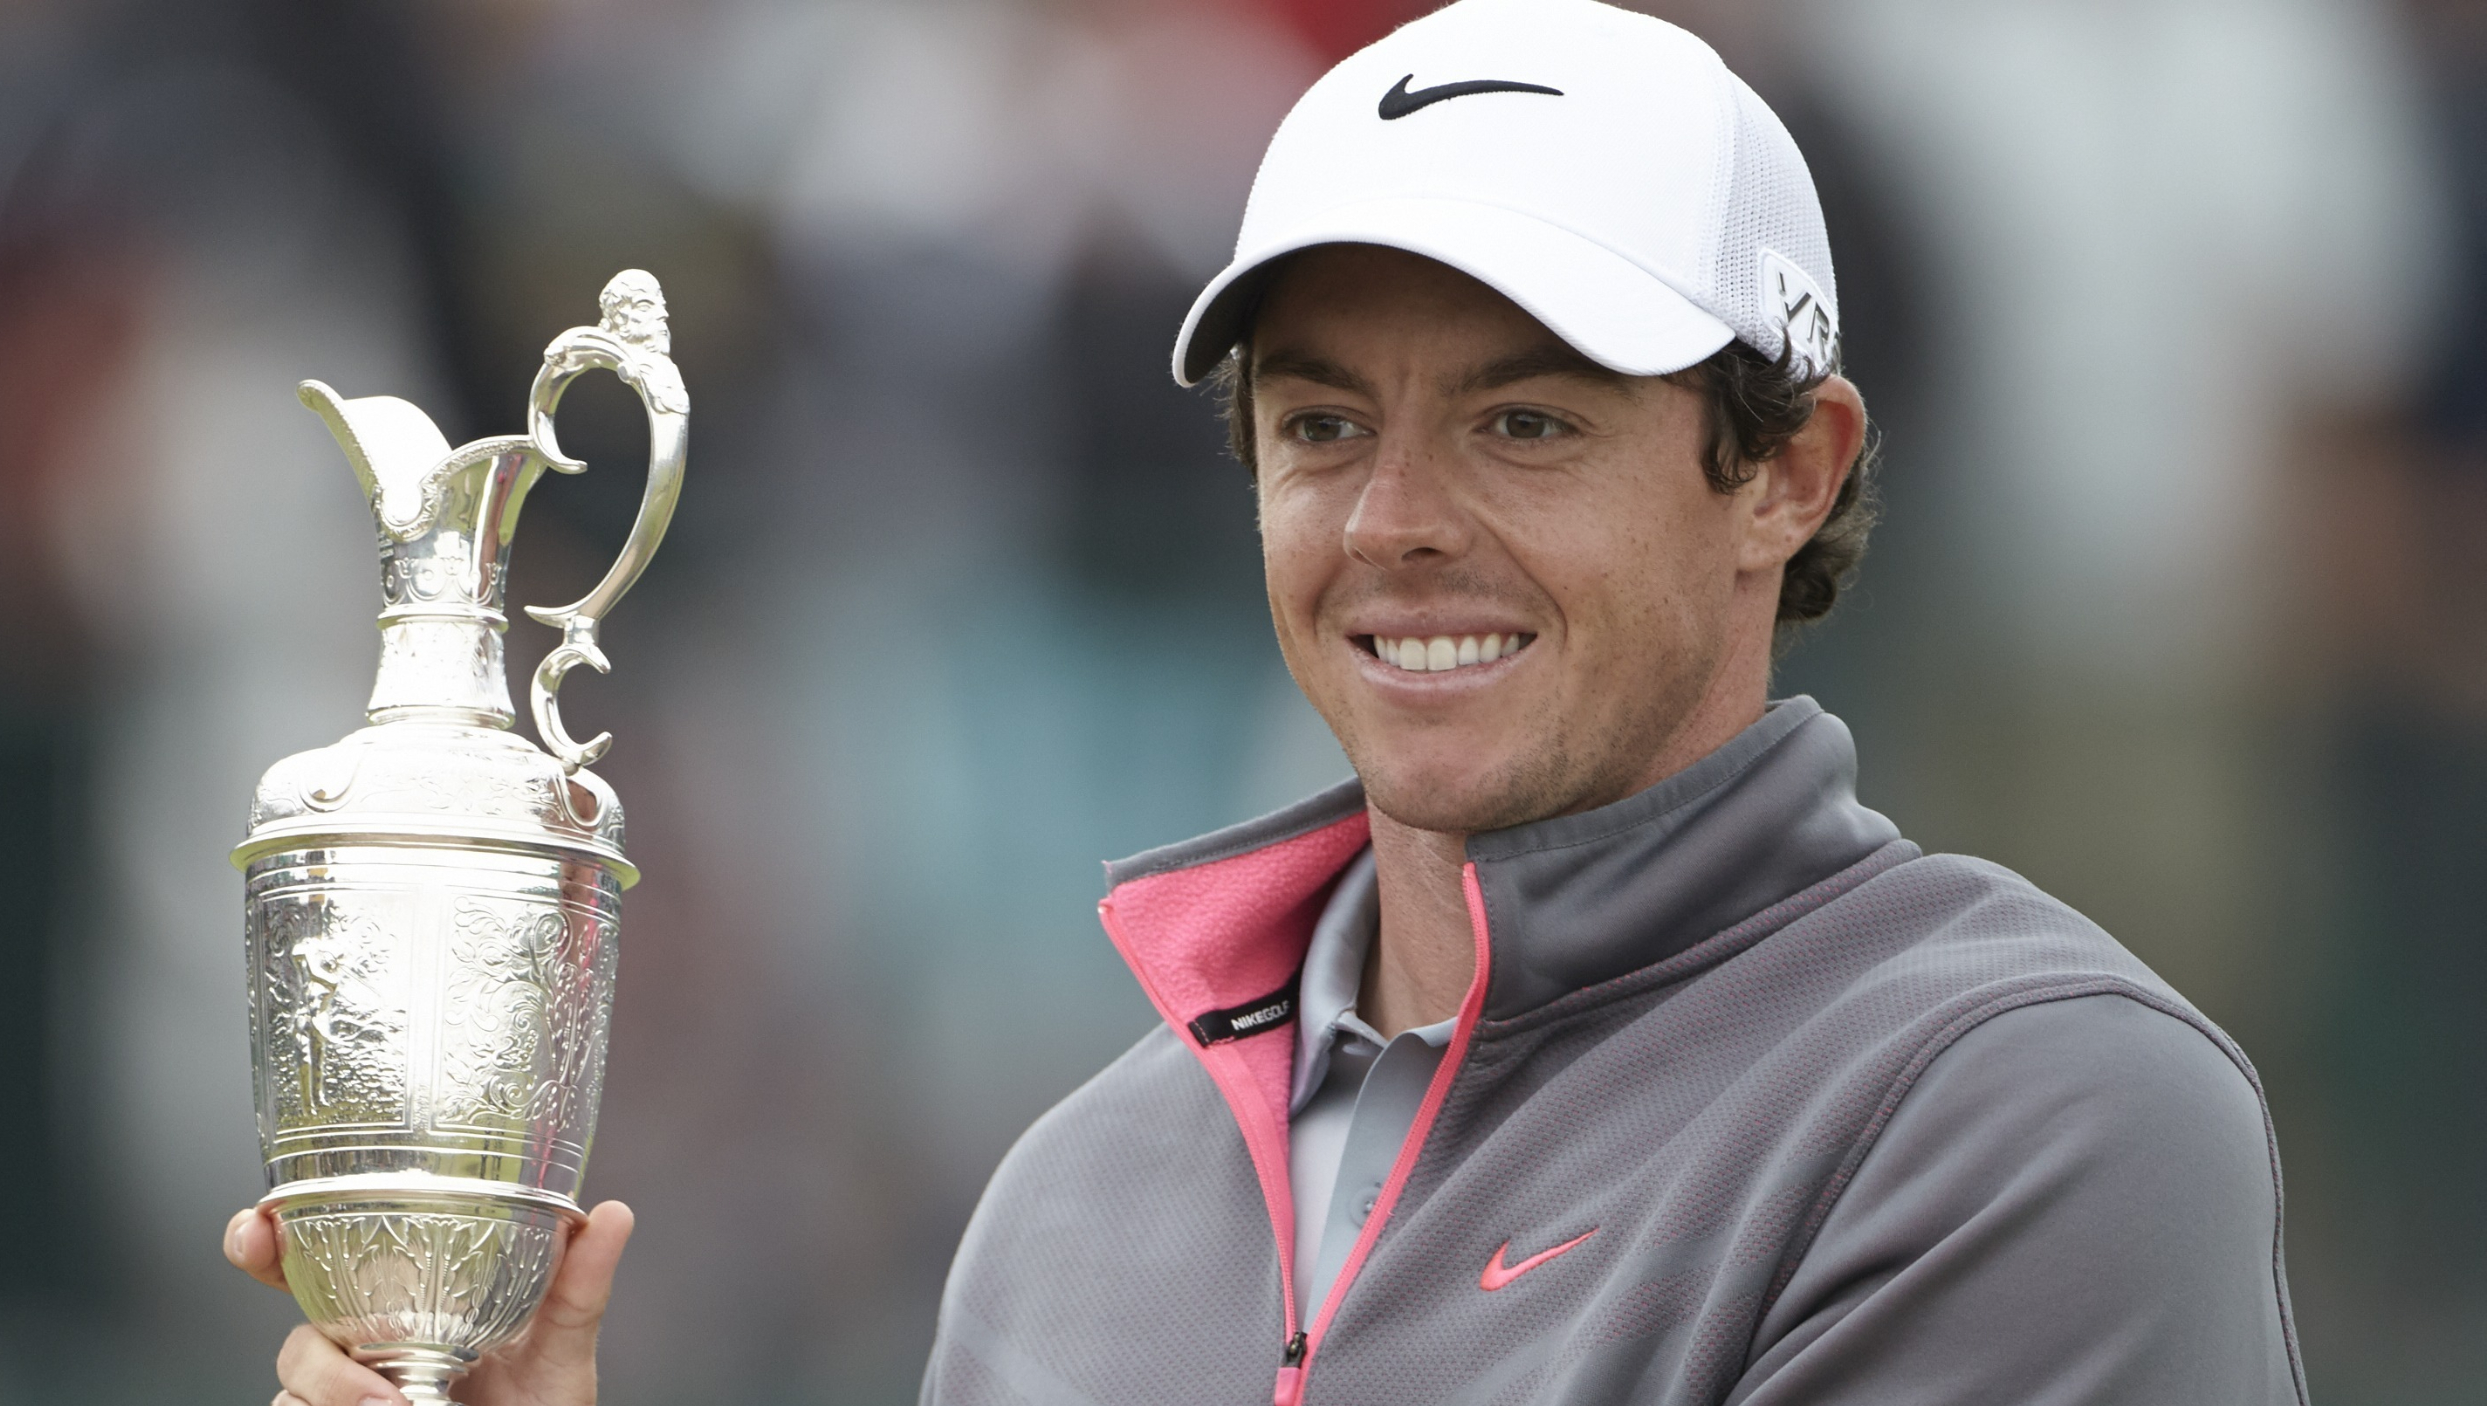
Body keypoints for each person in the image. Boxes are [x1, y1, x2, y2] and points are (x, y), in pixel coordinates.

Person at [229, 0, 2306, 1401]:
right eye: (1320, 424)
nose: (1393, 521)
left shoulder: (2024, 1110)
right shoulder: (1070, 1198)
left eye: (1523, 422)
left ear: (1787, 470)